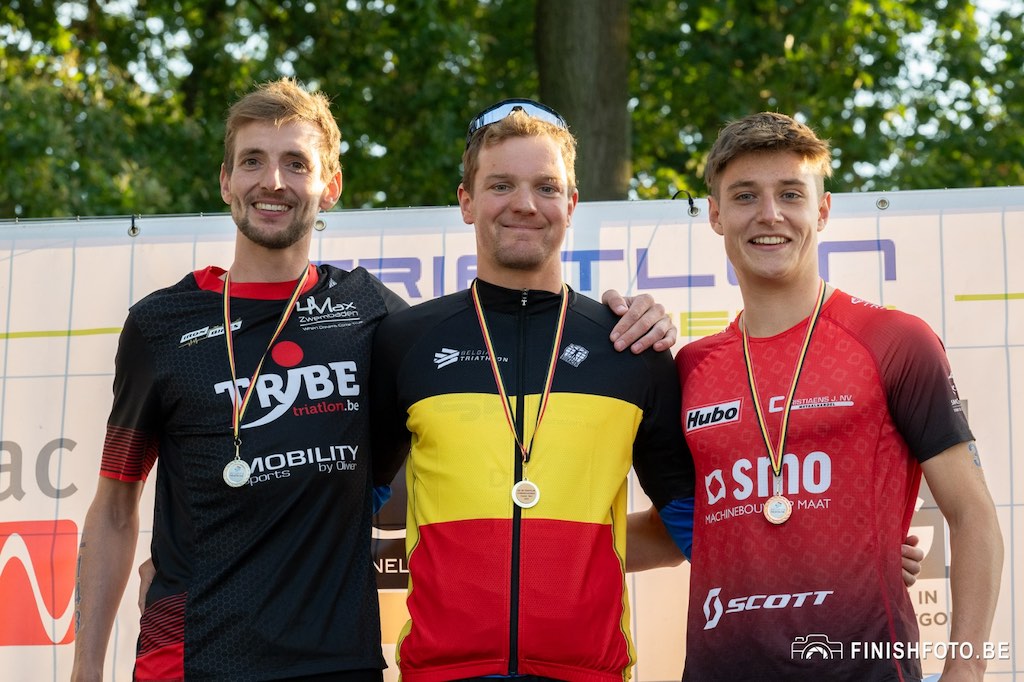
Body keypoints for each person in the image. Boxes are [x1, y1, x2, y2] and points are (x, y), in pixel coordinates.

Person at [71, 81, 677, 682]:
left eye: (296, 163)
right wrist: (86, 669)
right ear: (225, 180)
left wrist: (633, 315)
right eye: (252, 161)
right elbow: (115, 509)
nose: (273, 182)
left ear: (330, 187)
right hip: (195, 655)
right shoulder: (161, 324)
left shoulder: (374, 316)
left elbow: (418, 482)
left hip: (340, 660)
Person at [368, 99, 696, 681]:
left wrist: (857, 554)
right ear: (466, 202)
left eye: (546, 187)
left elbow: (693, 524)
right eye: (501, 185)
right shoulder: (405, 341)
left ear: (571, 205)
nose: (524, 204)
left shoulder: (629, 347)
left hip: (588, 672)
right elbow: (336, 512)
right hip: (440, 672)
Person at [670, 112, 1002, 681]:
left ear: (821, 210)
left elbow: (973, 514)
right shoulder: (692, 367)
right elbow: (687, 524)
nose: (769, 215)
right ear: (717, 215)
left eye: (790, 194)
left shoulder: (895, 341)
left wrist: (966, 670)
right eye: (745, 196)